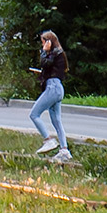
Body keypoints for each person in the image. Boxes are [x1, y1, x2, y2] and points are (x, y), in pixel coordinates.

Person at [29, 30, 71, 162]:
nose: (42, 45)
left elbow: (44, 63)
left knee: (34, 114)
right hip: (58, 88)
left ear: (48, 42)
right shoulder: (59, 54)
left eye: (43, 42)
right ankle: (64, 150)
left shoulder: (53, 53)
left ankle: (48, 140)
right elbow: (49, 68)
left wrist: (43, 51)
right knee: (56, 121)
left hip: (52, 88)